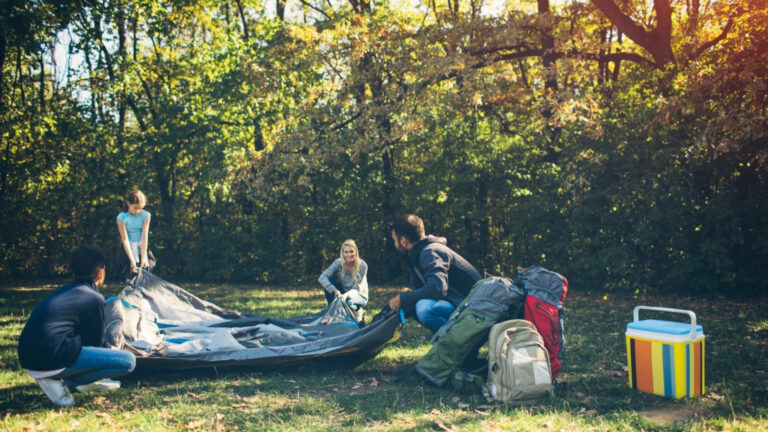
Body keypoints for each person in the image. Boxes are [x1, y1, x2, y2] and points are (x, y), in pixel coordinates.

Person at [17, 246, 136, 407]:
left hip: (27, 357)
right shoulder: (94, 298)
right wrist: (110, 348)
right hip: (51, 357)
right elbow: (93, 343)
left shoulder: (65, 292)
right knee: (128, 361)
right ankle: (65, 380)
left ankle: (74, 381)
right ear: (100, 272)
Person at [387, 214, 482, 333]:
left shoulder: (430, 252)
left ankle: (459, 340)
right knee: (414, 305)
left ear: (403, 241)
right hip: (458, 301)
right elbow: (420, 290)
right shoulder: (416, 255)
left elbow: (437, 289)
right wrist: (404, 302)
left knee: (424, 309)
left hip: (472, 305)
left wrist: (403, 298)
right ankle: (449, 339)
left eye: (394, 240)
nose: (395, 244)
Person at [318, 239, 369, 308]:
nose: (349, 254)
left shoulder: (362, 265)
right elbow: (322, 277)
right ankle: (332, 307)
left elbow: (356, 289)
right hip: (343, 292)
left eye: (351, 251)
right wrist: (334, 290)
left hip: (358, 294)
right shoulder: (338, 263)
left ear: (356, 252)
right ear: (343, 253)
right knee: (330, 280)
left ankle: (356, 313)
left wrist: (345, 296)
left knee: (349, 303)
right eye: (346, 252)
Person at [116, 190, 152, 279]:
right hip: (128, 248)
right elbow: (125, 239)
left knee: (144, 277)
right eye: (135, 208)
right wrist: (132, 262)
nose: (138, 211)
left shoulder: (146, 215)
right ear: (128, 203)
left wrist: (143, 257)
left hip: (142, 247)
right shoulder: (122, 217)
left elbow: (144, 236)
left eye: (140, 208)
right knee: (129, 276)